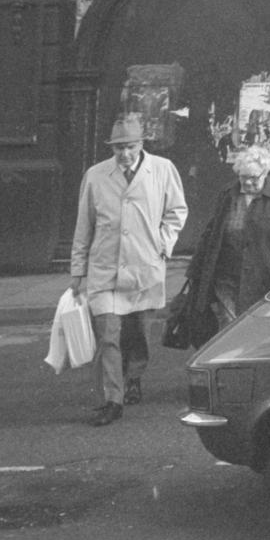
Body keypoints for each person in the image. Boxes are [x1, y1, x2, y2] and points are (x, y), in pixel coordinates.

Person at [69, 112, 187, 425]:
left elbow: (177, 211)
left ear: (141, 144)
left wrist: (163, 244)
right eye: (118, 147)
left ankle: (134, 376)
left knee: (139, 334)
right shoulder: (96, 175)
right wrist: (77, 271)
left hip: (144, 267)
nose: (124, 153)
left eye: (130, 146)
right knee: (108, 336)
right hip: (104, 268)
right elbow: (84, 225)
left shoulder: (162, 169)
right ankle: (113, 400)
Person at [179, 141, 270, 346]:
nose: (247, 183)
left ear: (265, 173)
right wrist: (195, 270)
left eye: (253, 178)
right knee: (229, 327)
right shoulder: (229, 194)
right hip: (226, 277)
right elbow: (211, 233)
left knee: (254, 329)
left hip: (262, 278)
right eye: (243, 177)